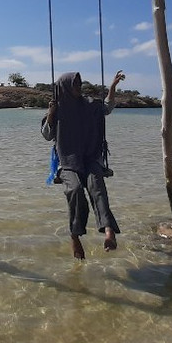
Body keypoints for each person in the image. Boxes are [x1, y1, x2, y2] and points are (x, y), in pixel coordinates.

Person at [42, 70, 125, 259]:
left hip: (90, 158)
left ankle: (109, 230)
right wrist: (50, 115)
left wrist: (112, 87)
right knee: (75, 190)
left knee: (97, 187)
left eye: (80, 84)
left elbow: (107, 108)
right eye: (75, 84)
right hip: (67, 163)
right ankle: (75, 235)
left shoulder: (88, 104)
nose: (79, 87)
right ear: (65, 87)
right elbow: (47, 135)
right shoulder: (57, 108)